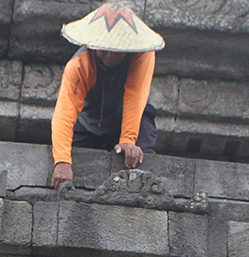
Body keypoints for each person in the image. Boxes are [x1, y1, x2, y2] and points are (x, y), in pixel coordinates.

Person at [50, 2, 165, 188]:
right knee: (69, 155)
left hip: (133, 119)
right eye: (104, 48)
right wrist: (62, 161)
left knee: (141, 158)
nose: (110, 55)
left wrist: (128, 140)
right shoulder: (78, 66)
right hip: (89, 122)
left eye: (116, 50)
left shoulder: (142, 55)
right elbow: (64, 113)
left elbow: (135, 94)